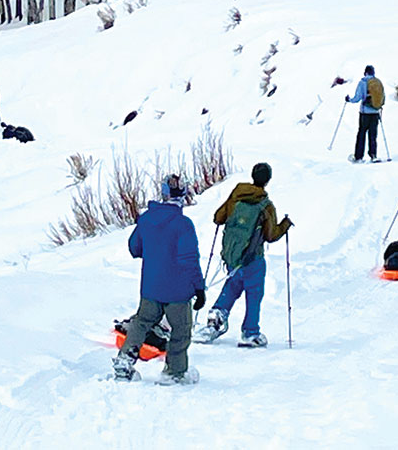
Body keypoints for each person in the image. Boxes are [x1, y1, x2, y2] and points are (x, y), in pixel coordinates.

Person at [113, 175, 205, 384]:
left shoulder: (146, 219)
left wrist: (156, 251)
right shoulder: (183, 224)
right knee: (181, 331)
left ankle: (124, 361)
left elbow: (134, 248)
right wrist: (199, 288)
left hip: (151, 287)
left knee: (141, 323)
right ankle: (174, 372)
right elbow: (189, 259)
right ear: (182, 194)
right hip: (178, 292)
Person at [196, 163, 291, 348]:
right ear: (268, 180)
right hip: (252, 258)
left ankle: (217, 315)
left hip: (232, 256)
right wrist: (285, 225)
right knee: (254, 293)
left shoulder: (237, 194)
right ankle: (250, 332)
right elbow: (271, 236)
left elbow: (218, 217)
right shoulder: (266, 205)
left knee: (233, 284)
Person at [345, 64, 384, 162]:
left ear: (365, 72)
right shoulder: (378, 82)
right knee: (373, 135)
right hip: (375, 112)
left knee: (361, 133)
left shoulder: (363, 82)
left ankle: (358, 156)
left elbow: (358, 97)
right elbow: (383, 97)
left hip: (365, 113)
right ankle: (373, 155)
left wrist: (349, 99)